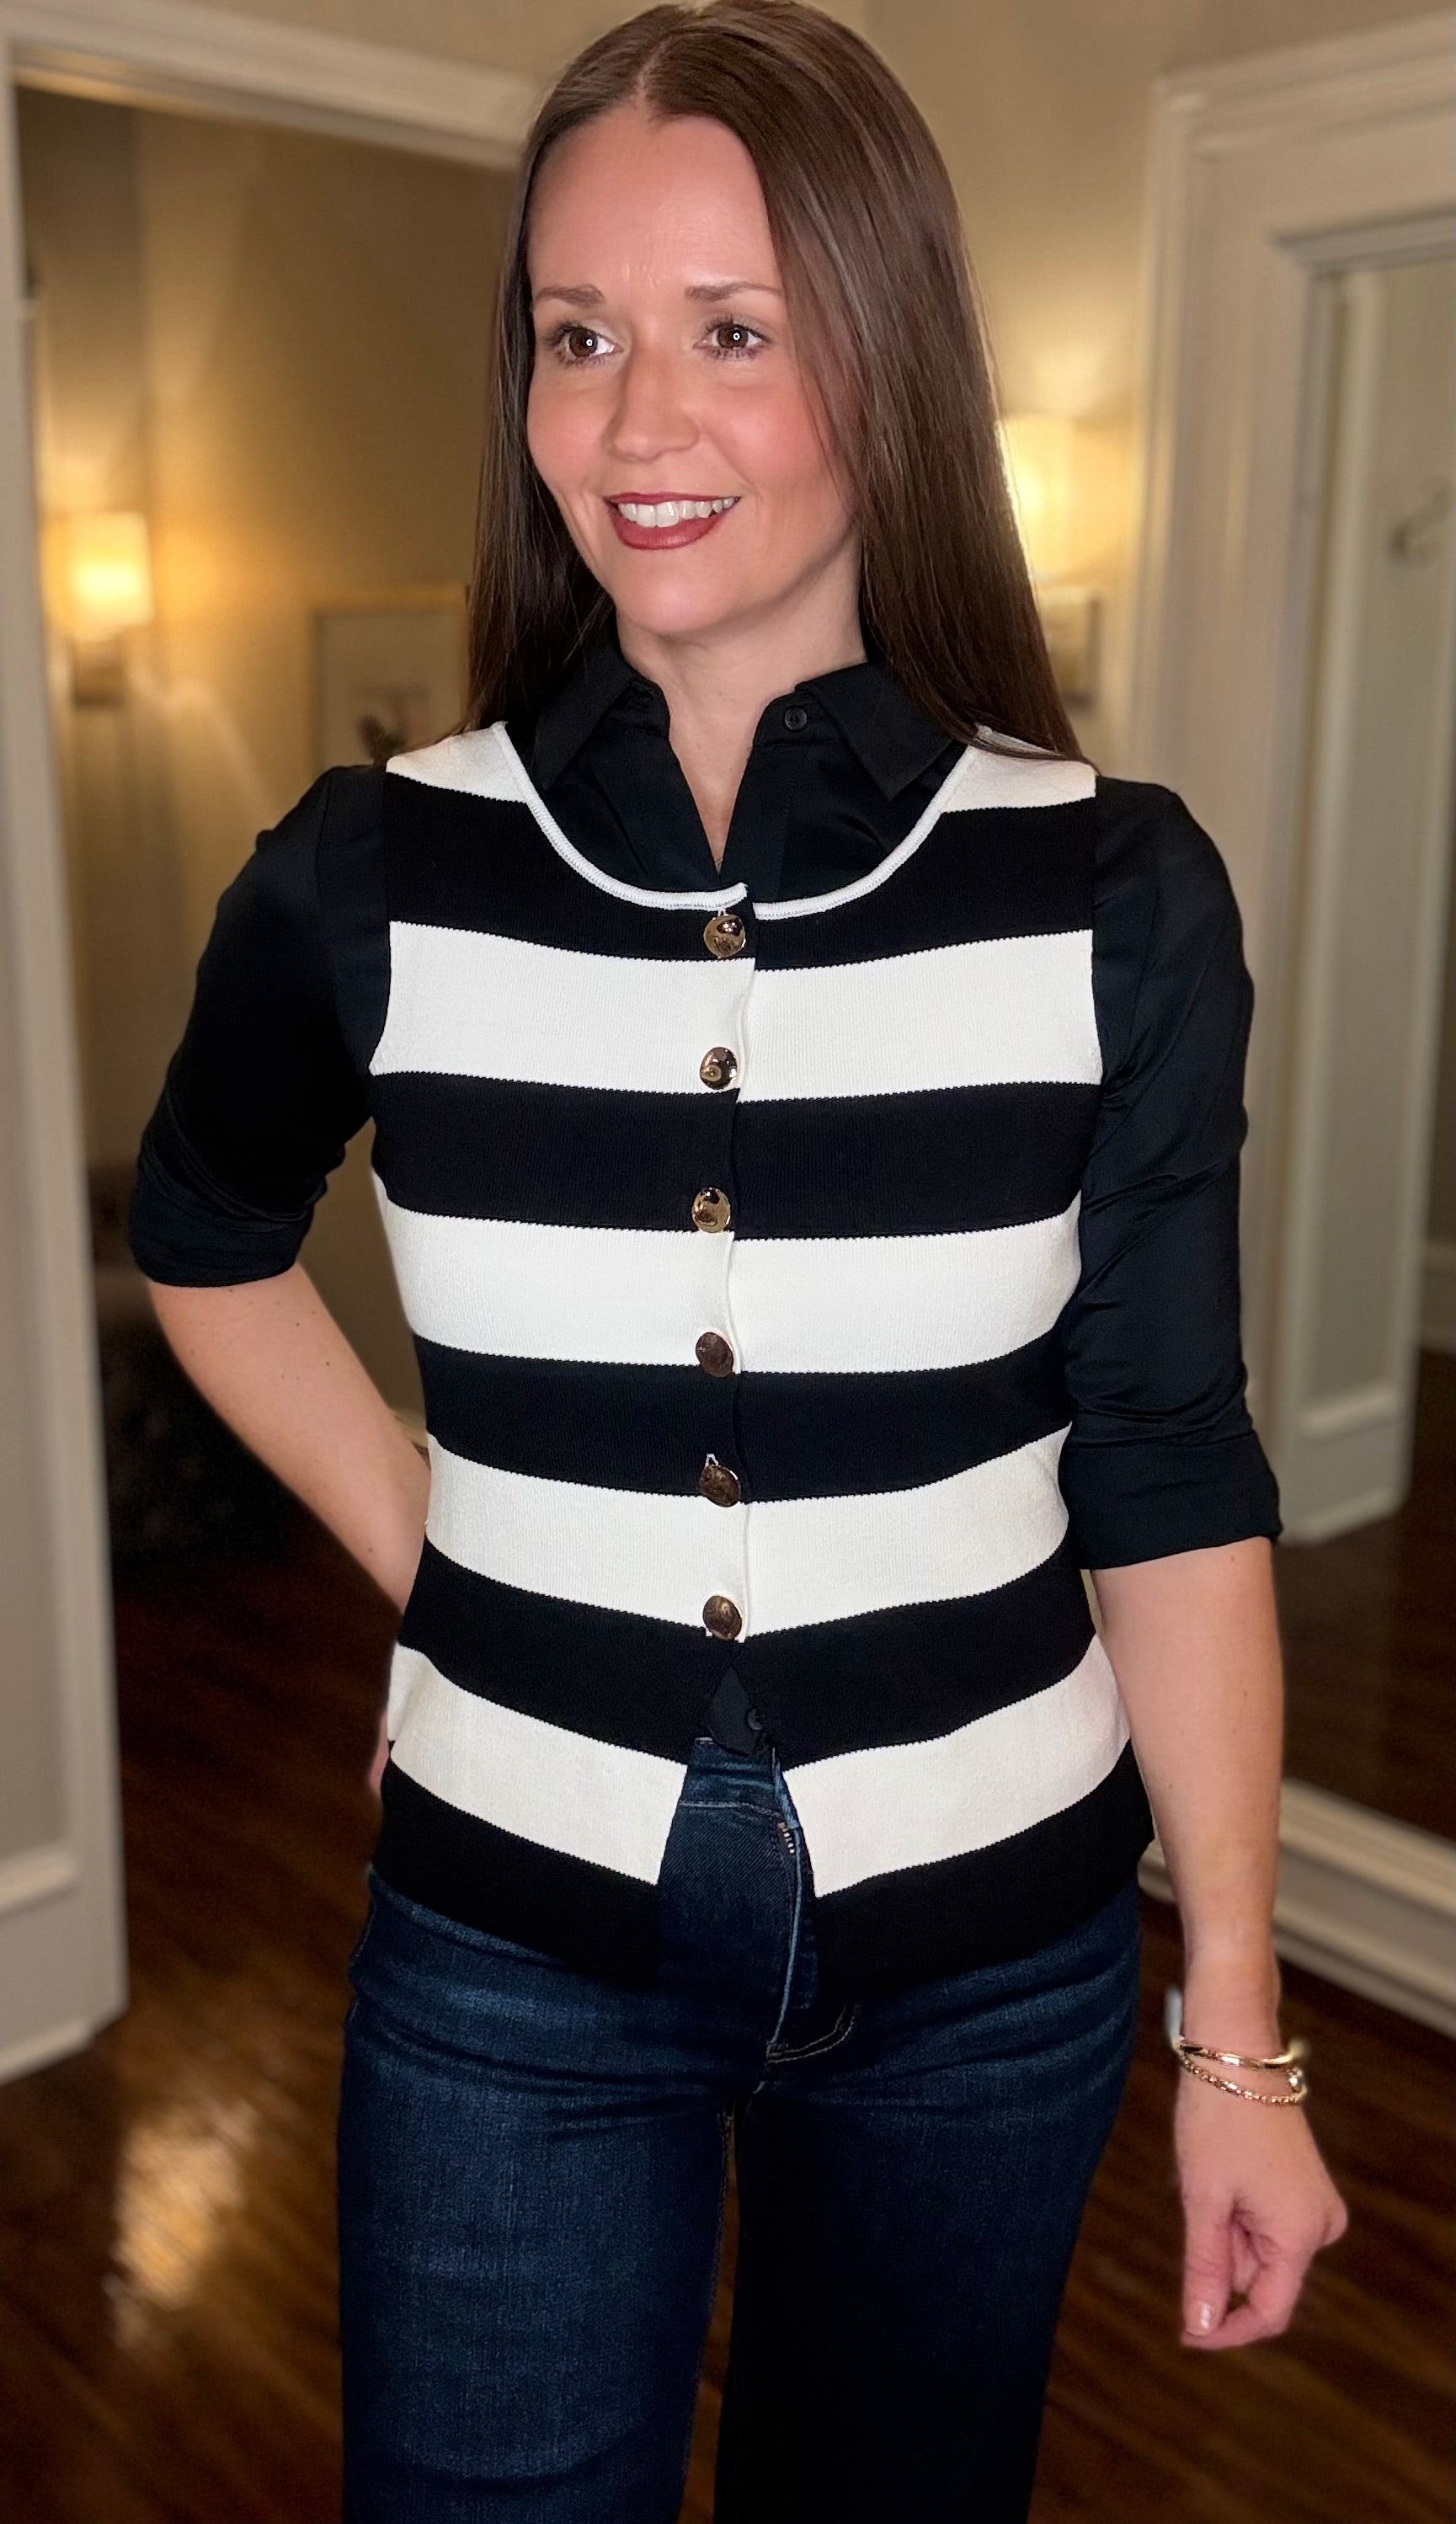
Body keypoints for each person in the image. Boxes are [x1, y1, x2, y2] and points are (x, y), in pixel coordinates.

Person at [128, 5, 1348, 2517]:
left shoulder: (1109, 891)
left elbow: (1162, 1459)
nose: (633, 419)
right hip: (503, 1944)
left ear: (885, 362)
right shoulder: (371, 873)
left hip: (992, 1956)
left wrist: (1235, 2033)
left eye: (731, 329)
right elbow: (206, 1242)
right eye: (577, 335)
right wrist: (448, 1573)